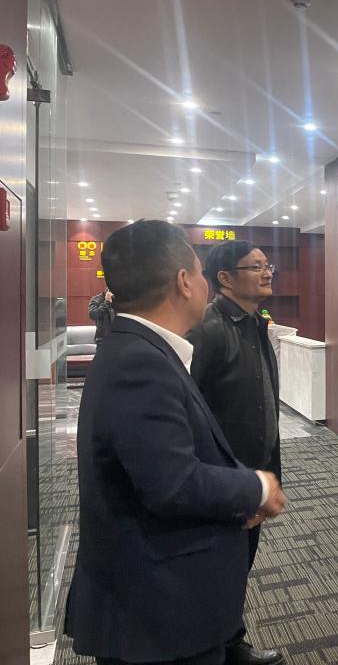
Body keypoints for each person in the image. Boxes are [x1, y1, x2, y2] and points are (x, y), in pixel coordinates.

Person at [65, 219, 287, 665]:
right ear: (185, 281)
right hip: (154, 611)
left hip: (160, 598)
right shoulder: (140, 362)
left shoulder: (140, 349)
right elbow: (172, 483)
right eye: (201, 274)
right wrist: (256, 486)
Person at [187, 241, 284, 665]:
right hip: (223, 480)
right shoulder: (208, 329)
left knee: (237, 565)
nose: (267, 273)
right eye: (255, 267)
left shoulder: (253, 323)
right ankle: (220, 647)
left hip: (250, 476)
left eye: (267, 265)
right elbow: (189, 412)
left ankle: (229, 642)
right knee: (218, 569)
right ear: (224, 278)